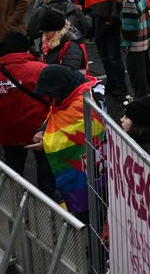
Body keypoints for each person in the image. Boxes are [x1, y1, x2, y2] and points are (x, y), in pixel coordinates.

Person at [32, 64, 102, 223]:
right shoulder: (71, 93)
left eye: (52, 94)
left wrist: (47, 141)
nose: (51, 99)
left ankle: (95, 242)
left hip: (89, 171)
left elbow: (75, 132)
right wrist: (45, 130)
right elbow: (56, 113)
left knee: (92, 213)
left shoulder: (83, 102)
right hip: (89, 168)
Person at [0, 33, 54, 195]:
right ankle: (49, 203)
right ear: (26, 49)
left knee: (13, 170)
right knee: (45, 167)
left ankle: (16, 205)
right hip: (39, 129)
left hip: (8, 131)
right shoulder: (41, 69)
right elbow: (54, 98)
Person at [111, 0, 150, 96]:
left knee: (136, 74)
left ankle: (141, 100)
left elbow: (130, 25)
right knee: (143, 70)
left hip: (135, 41)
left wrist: (126, 43)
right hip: (144, 36)